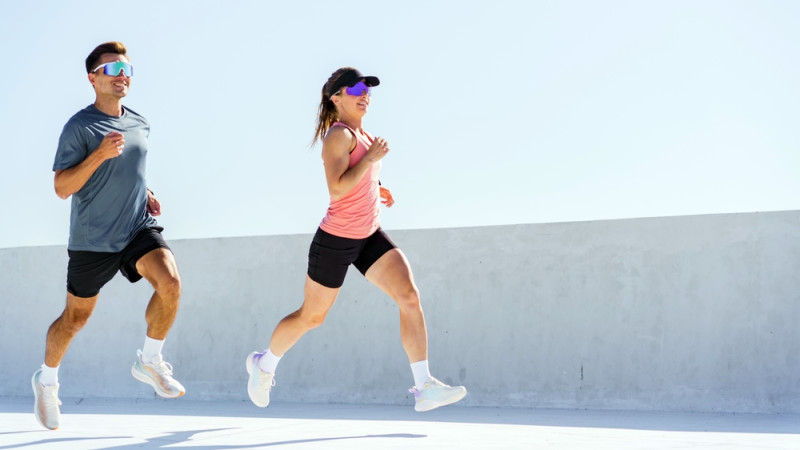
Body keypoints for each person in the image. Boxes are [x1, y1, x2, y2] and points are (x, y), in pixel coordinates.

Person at [245, 67, 467, 412]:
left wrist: (377, 187)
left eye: (368, 90)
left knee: (409, 296)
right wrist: (372, 162)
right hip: (335, 240)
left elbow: (356, 178)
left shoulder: (364, 137)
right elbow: (336, 189)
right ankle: (265, 364)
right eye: (357, 89)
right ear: (336, 98)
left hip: (369, 236)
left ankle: (424, 386)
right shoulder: (339, 136)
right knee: (312, 317)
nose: (365, 95)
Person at [32, 42, 185, 431]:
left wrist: (146, 192)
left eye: (127, 71)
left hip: (136, 228)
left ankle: (149, 359)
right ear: (93, 78)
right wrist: (98, 155)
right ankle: (47, 381)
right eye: (113, 69)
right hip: (92, 240)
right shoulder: (79, 127)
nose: (122, 77)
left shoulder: (140, 123)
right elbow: (62, 187)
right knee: (75, 318)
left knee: (170, 281)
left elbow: (132, 168)